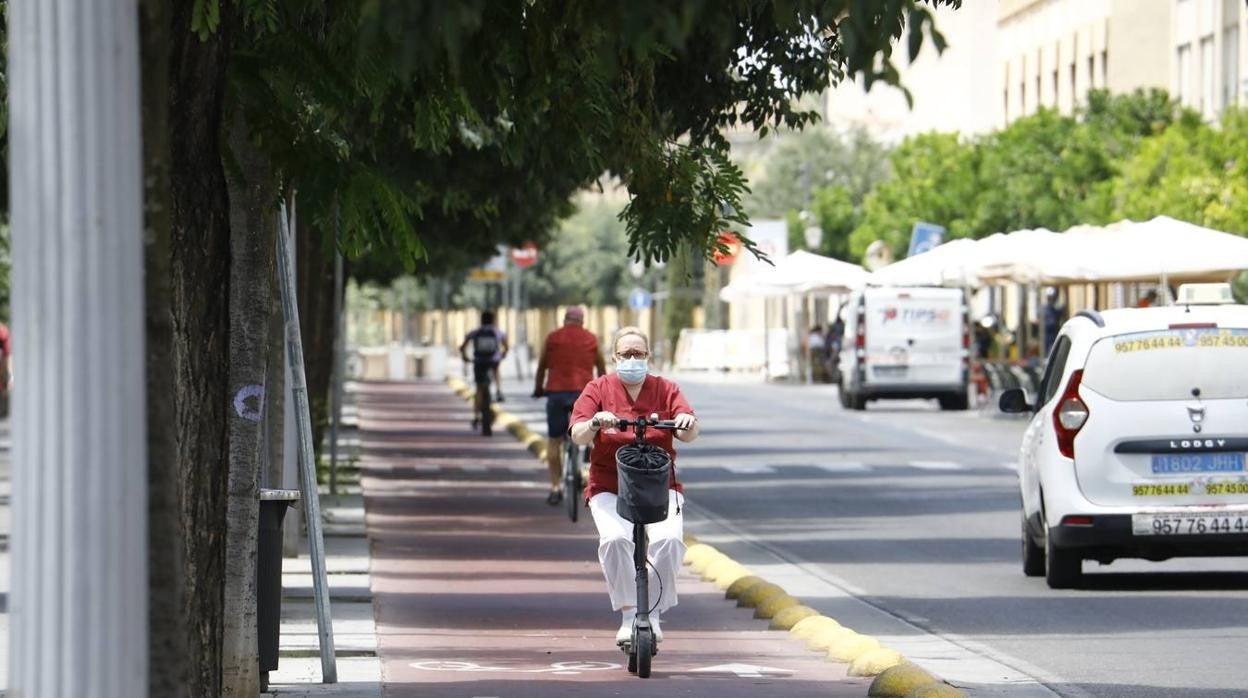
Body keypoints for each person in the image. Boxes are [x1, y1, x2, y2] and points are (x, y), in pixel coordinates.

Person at [569, 326, 700, 645]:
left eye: (638, 354)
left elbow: (689, 430)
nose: (632, 359)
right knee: (615, 540)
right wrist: (595, 422)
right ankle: (629, 614)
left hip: (659, 485)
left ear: (648, 357)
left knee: (669, 541)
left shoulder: (666, 389)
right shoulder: (597, 388)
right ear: (614, 357)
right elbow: (578, 433)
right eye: (625, 354)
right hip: (609, 486)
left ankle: (653, 614)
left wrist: (685, 424)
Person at [532, 306, 606, 505]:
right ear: (582, 321)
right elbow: (601, 367)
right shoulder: (591, 338)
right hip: (583, 394)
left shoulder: (553, 337)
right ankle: (588, 460)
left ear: (565, 320)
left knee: (554, 440)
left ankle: (555, 488)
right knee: (591, 430)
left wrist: (538, 388)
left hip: (556, 393)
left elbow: (541, 366)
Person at [458, 310, 509, 431]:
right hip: (493, 360)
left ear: (481, 320)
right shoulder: (497, 331)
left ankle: (476, 416)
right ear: (493, 320)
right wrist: (503, 355)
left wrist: (465, 357)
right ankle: (499, 390)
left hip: (479, 362)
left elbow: (462, 346)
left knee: (479, 389)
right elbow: (506, 346)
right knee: (496, 368)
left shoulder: (476, 332)